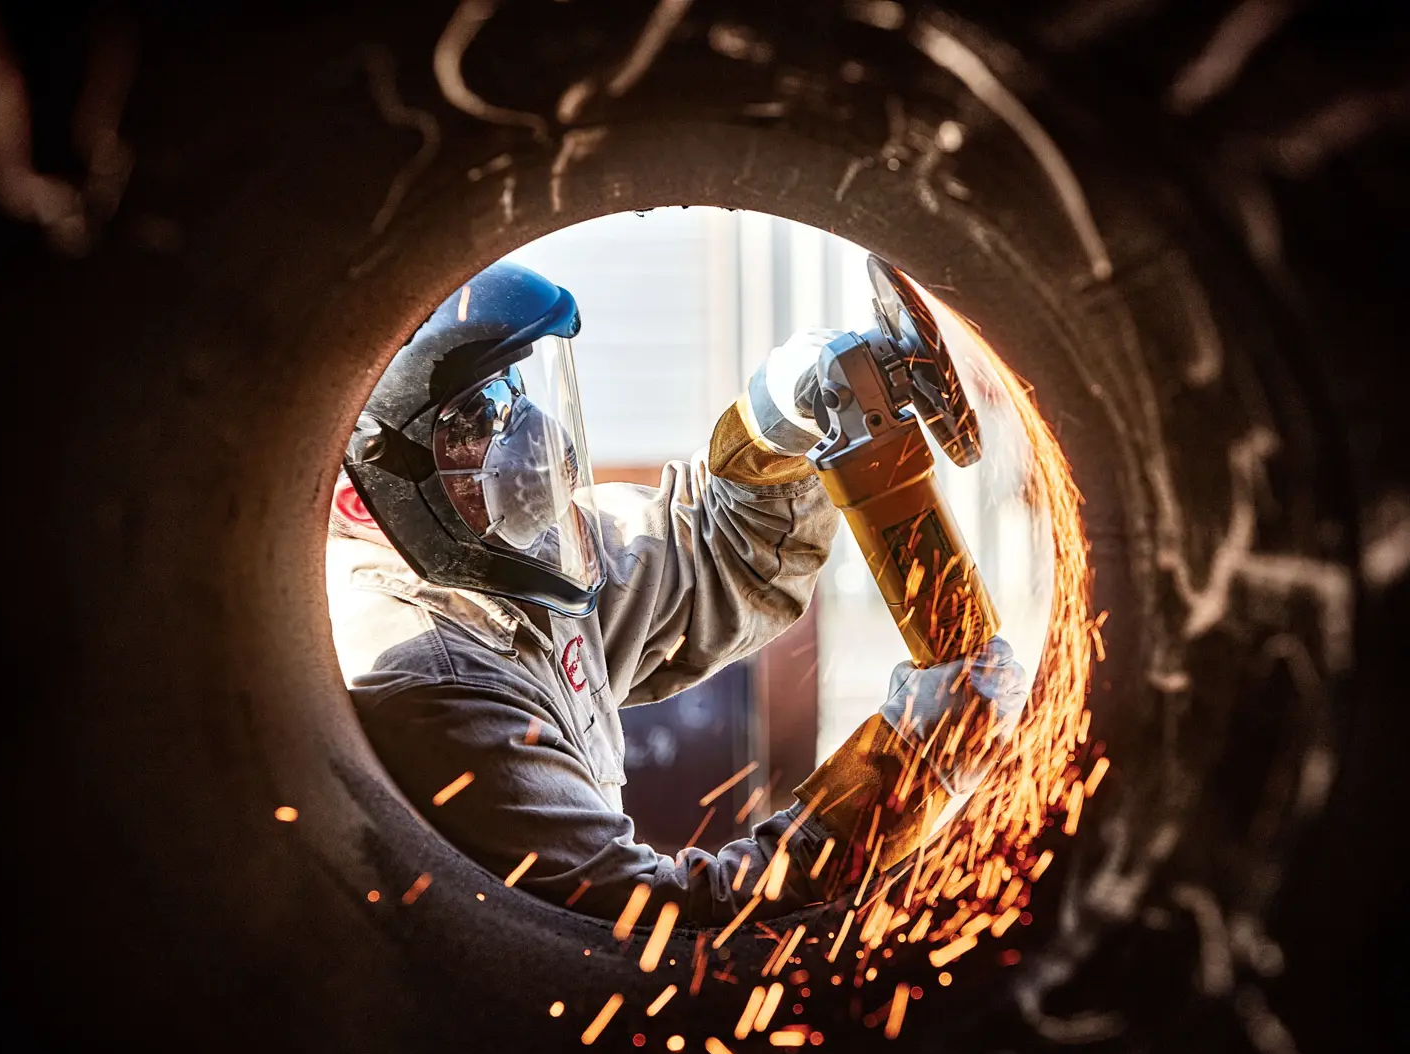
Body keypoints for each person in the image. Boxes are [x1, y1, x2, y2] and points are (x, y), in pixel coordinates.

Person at [328, 260, 1027, 925]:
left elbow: (716, 562)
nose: (529, 436)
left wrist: (781, 415)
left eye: (510, 394)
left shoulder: (487, 559)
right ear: (368, 499)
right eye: (473, 424)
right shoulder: (433, 688)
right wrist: (907, 766)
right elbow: (668, 925)